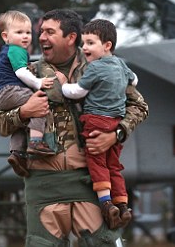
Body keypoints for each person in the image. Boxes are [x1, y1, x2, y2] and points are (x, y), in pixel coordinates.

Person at [0, 9, 149, 247]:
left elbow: (140, 106)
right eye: (41, 31)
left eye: (49, 32)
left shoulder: (105, 68)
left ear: (71, 37)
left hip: (90, 183)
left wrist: (115, 134)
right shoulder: (28, 75)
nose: (41, 37)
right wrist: (24, 112)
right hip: (44, 186)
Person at [54, 19, 138, 229]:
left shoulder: (95, 68)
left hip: (95, 121)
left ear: (107, 45)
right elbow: (134, 80)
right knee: (114, 166)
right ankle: (123, 205)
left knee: (97, 162)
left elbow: (77, 92)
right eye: (84, 43)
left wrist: (63, 84)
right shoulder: (121, 65)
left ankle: (106, 202)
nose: (85, 48)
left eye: (90, 43)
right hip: (116, 122)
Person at [0, 10, 55, 177]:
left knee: (21, 123)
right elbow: (21, 72)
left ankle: (17, 153)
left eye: (28, 32)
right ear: (5, 36)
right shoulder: (16, 50)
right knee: (40, 103)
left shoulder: (7, 51)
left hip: (3, 94)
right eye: (19, 32)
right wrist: (38, 83)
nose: (25, 36)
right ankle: (36, 142)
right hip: (12, 91)